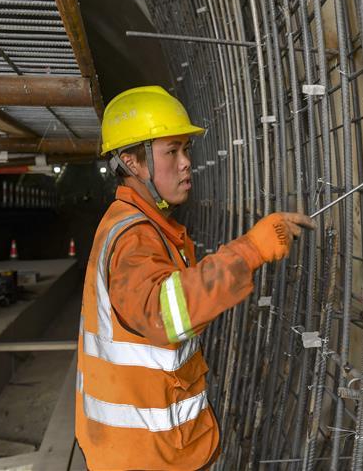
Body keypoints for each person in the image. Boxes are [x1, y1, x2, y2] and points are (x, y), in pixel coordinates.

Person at [75, 86, 314, 470]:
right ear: (132, 162)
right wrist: (250, 250)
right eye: (172, 151)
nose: (186, 163)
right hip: (146, 455)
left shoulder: (139, 225)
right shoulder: (133, 237)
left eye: (186, 150)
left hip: (145, 448)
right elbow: (163, 314)